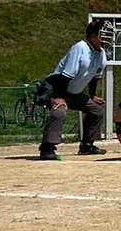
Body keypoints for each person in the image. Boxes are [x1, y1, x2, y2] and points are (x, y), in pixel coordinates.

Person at [37, 18, 115, 160]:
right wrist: (59, 97)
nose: (108, 38)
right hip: (55, 88)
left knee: (96, 109)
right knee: (58, 111)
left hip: (71, 91)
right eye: (103, 34)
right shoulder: (80, 48)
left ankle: (87, 145)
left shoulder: (101, 53)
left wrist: (92, 95)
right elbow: (65, 76)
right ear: (92, 35)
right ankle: (47, 148)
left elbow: (95, 76)